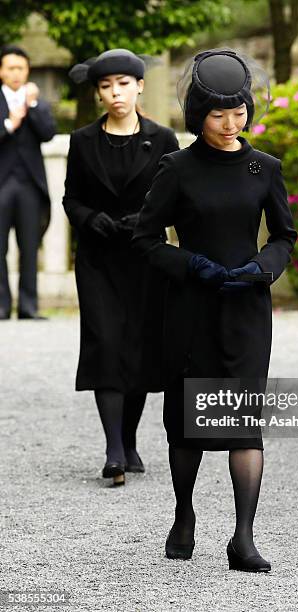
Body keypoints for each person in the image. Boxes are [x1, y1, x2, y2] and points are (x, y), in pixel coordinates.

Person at [132, 49, 298, 571]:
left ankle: (243, 538)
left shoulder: (263, 167)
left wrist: (262, 267)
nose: (232, 124)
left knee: (244, 423)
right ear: (198, 115)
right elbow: (145, 236)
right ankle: (184, 515)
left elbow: (286, 236)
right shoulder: (176, 169)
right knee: (188, 424)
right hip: (190, 307)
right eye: (219, 115)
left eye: (240, 112)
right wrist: (191, 265)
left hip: (247, 309)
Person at [63, 49, 179, 486]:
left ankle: (129, 440)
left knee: (140, 348)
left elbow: (174, 198)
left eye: (124, 84)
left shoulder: (163, 138)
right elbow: (71, 198)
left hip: (146, 260)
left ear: (140, 86)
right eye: (107, 86)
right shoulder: (82, 140)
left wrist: (144, 221)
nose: (116, 93)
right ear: (98, 93)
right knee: (105, 344)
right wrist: (92, 219)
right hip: (98, 260)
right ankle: (113, 449)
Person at [0, 45, 56, 320]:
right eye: (10, 68)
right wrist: (10, 123)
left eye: (20, 68)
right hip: (1, 184)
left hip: (30, 186)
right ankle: (0, 306)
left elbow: (48, 133)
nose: (15, 73)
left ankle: (28, 306)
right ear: (1, 71)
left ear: (27, 71)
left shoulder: (38, 102)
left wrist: (31, 105)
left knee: (30, 246)